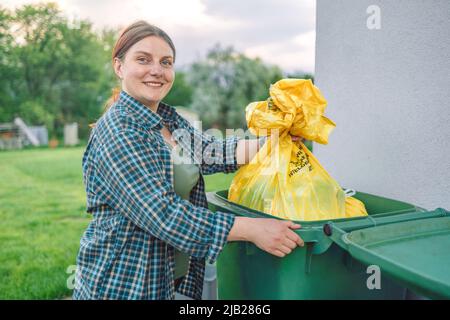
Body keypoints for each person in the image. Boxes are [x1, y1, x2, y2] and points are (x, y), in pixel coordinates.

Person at [73, 20, 304, 300]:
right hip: (122, 284)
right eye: (143, 60)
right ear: (119, 67)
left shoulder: (166, 120)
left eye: (166, 62)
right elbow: (163, 214)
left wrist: (273, 144)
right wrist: (252, 229)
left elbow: (212, 151)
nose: (156, 70)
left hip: (165, 279)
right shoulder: (119, 131)